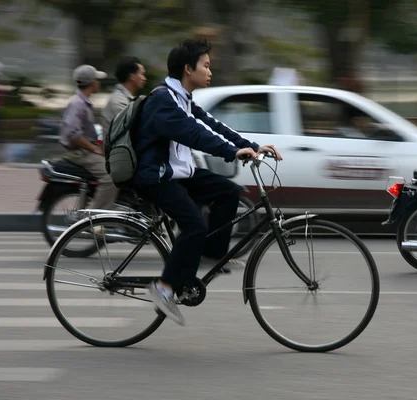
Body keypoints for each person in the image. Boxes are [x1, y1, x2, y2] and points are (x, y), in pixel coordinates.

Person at [132, 39, 282, 325]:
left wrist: (252, 145)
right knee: (194, 224)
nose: (210, 71)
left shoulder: (184, 98)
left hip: (180, 173)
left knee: (229, 192)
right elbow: (193, 134)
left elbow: (213, 125)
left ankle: (210, 255)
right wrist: (231, 152)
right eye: (206, 65)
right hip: (157, 177)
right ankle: (163, 290)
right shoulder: (163, 99)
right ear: (189, 69)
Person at [59, 64, 119, 212]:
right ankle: (95, 219)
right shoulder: (77, 103)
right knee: (110, 178)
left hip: (85, 149)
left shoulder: (83, 102)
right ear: (93, 83)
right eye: (97, 79)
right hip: (80, 152)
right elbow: (73, 134)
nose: (99, 82)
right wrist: (94, 148)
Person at [100, 56, 146, 133]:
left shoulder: (128, 98)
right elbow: (135, 128)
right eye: (142, 74)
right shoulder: (119, 101)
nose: (144, 78)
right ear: (132, 77)